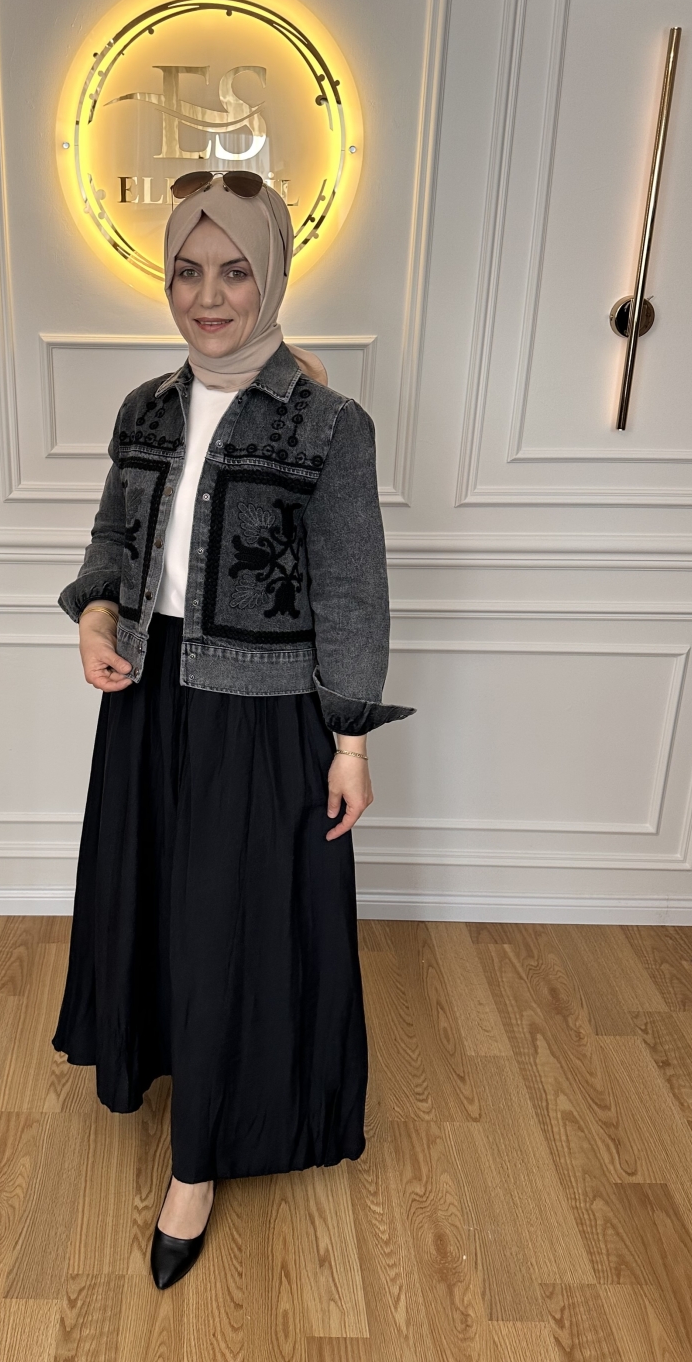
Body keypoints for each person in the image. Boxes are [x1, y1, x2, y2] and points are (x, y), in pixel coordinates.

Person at [52, 172, 416, 1290]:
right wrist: (96, 616)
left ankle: (197, 1165)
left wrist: (349, 744)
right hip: (146, 702)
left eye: (234, 271)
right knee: (160, 910)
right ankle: (177, 1074)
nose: (207, 297)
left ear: (273, 276)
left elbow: (353, 595)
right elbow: (112, 541)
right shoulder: (146, 409)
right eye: (187, 272)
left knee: (227, 933)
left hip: (261, 721)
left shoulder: (327, 426)